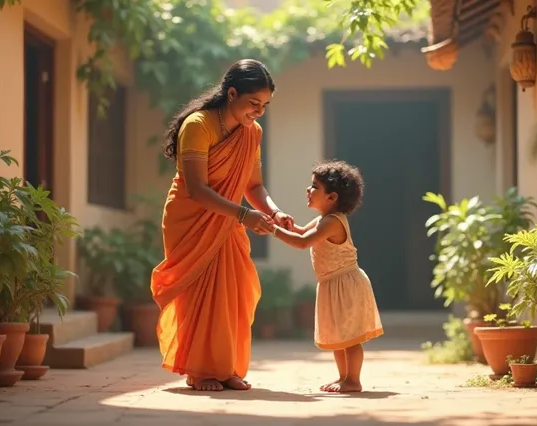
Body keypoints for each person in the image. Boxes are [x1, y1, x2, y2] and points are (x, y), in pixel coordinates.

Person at [151, 59, 294, 392]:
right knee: (201, 294)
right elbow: (198, 188)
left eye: (265, 106)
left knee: (234, 294)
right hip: (191, 218)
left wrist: (274, 213)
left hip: (228, 220)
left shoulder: (252, 132)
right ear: (232, 93)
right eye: (253, 103)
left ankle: (225, 366)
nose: (259, 112)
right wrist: (245, 216)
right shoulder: (198, 125)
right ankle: (200, 370)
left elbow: (254, 187)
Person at [271, 160, 383, 393]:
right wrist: (285, 224)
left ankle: (353, 380)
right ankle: (344, 378)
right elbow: (301, 233)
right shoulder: (324, 219)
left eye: (314, 187)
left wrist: (273, 231)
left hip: (345, 283)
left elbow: (303, 243)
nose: (308, 190)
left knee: (350, 338)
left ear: (332, 197)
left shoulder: (332, 222)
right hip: (332, 284)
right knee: (338, 336)